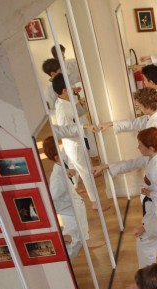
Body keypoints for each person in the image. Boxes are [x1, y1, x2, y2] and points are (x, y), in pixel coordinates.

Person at [93, 128, 157, 269]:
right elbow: (131, 163)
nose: (138, 147)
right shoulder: (154, 156)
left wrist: (150, 194)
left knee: (145, 244)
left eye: (140, 145)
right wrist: (104, 166)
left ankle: (146, 281)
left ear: (151, 148)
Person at [42, 136, 102, 258]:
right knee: (73, 239)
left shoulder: (60, 168)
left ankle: (84, 241)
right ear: (56, 157)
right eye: (60, 150)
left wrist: (67, 172)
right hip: (69, 211)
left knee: (79, 231)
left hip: (73, 207)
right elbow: (53, 197)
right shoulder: (57, 178)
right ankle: (64, 260)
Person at [51, 75, 105, 211]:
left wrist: (81, 105)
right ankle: (95, 202)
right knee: (86, 172)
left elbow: (75, 116)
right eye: (70, 87)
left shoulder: (65, 102)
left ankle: (74, 189)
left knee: (76, 168)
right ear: (64, 90)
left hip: (74, 144)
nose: (73, 88)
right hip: (74, 144)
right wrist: (84, 127)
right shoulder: (62, 109)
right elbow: (65, 131)